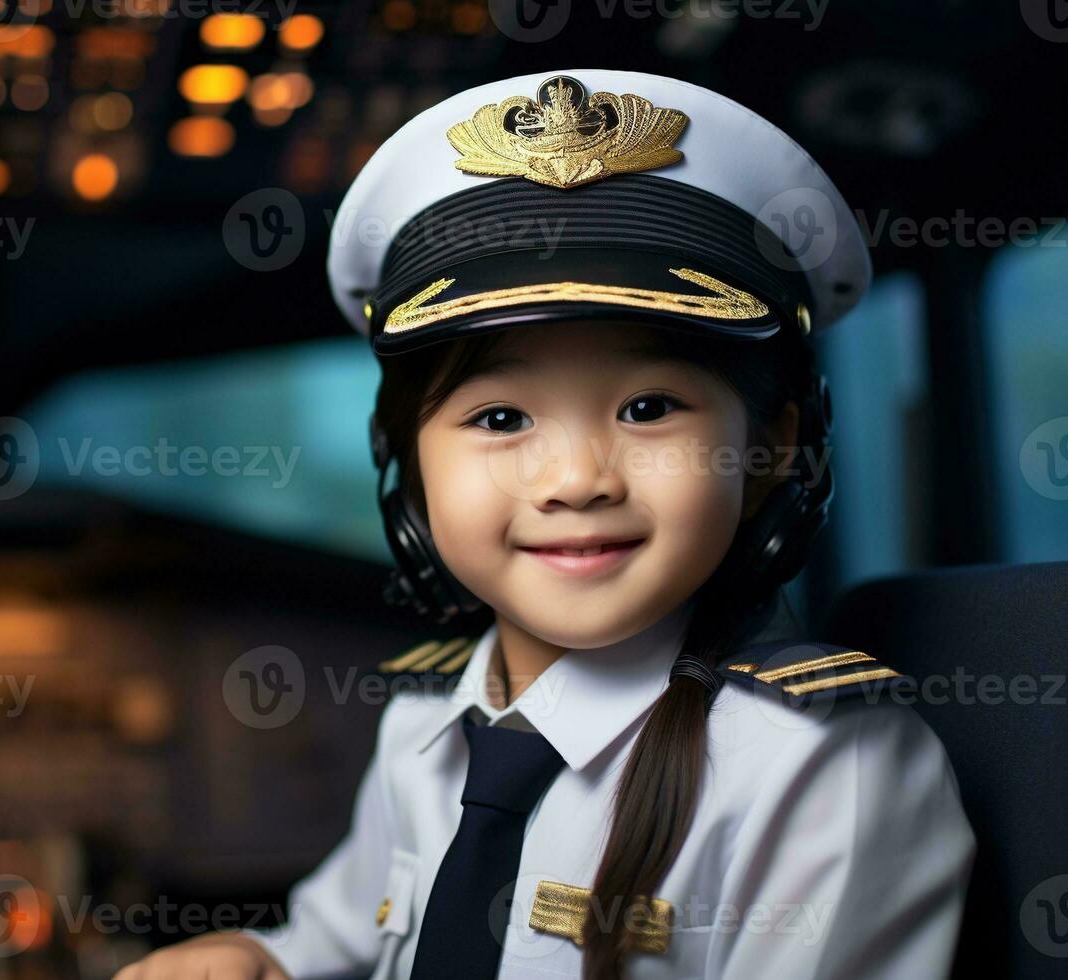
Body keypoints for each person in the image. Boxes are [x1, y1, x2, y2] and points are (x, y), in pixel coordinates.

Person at [114, 69, 975, 980]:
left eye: (649, 408)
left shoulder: (818, 770)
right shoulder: (423, 730)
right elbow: (345, 932)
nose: (574, 480)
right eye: (498, 419)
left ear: (769, 449)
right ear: (404, 454)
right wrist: (258, 956)